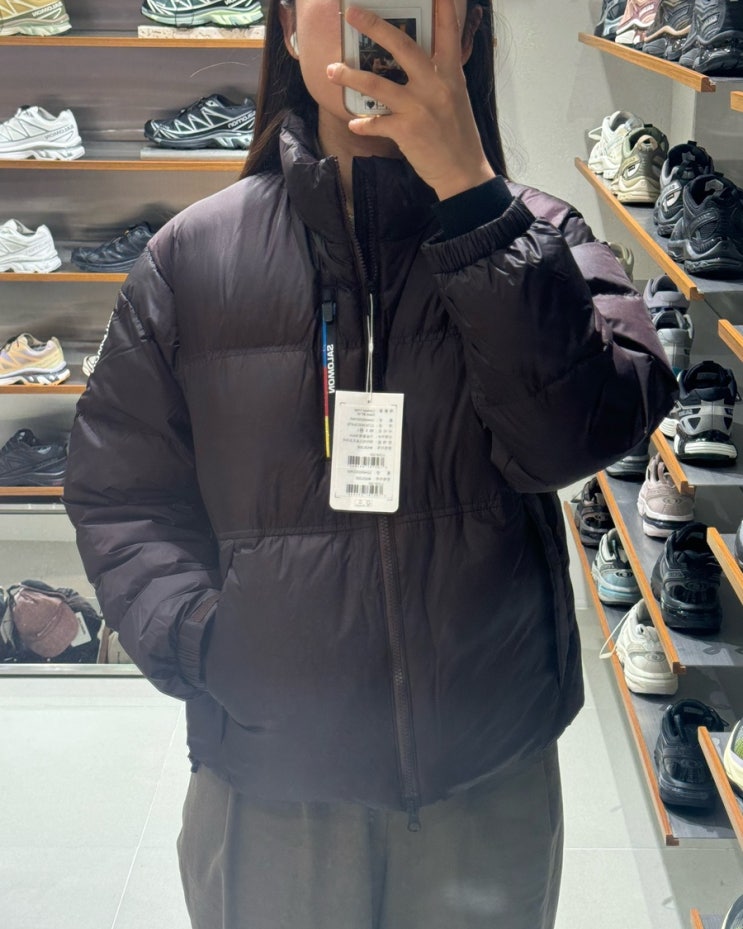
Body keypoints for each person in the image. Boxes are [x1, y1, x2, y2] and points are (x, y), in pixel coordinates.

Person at [62, 0, 677, 927]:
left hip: (486, 773)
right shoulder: (189, 259)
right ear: (287, 25)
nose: (375, 15)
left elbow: (578, 437)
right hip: (270, 780)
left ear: (466, 31)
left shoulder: (543, 234)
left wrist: (475, 202)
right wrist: (200, 639)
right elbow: (121, 491)